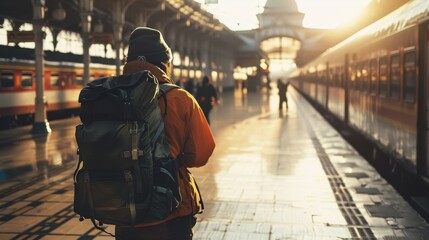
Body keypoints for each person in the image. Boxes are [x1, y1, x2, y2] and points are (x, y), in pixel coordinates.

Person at [115, 27, 215, 240]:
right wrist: (173, 158)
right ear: (164, 63)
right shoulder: (180, 98)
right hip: (169, 210)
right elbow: (202, 153)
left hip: (124, 211)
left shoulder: (109, 95)